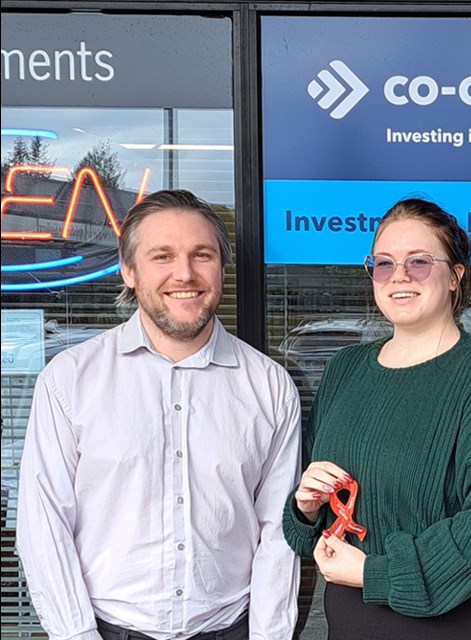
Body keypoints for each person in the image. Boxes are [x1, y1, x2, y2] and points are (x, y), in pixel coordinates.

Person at [16, 189, 302, 640]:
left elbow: (279, 533)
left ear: (222, 268)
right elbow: (43, 522)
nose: (184, 273)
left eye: (201, 254)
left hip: (231, 628)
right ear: (129, 271)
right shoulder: (69, 380)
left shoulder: (269, 386)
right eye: (162, 256)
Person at [282, 198, 471, 640]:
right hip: (347, 621)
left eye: (418, 262)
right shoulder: (345, 370)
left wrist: (375, 572)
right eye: (384, 263)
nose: (399, 276)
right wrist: (306, 508)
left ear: (455, 277)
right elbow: (317, 528)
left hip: (446, 627)